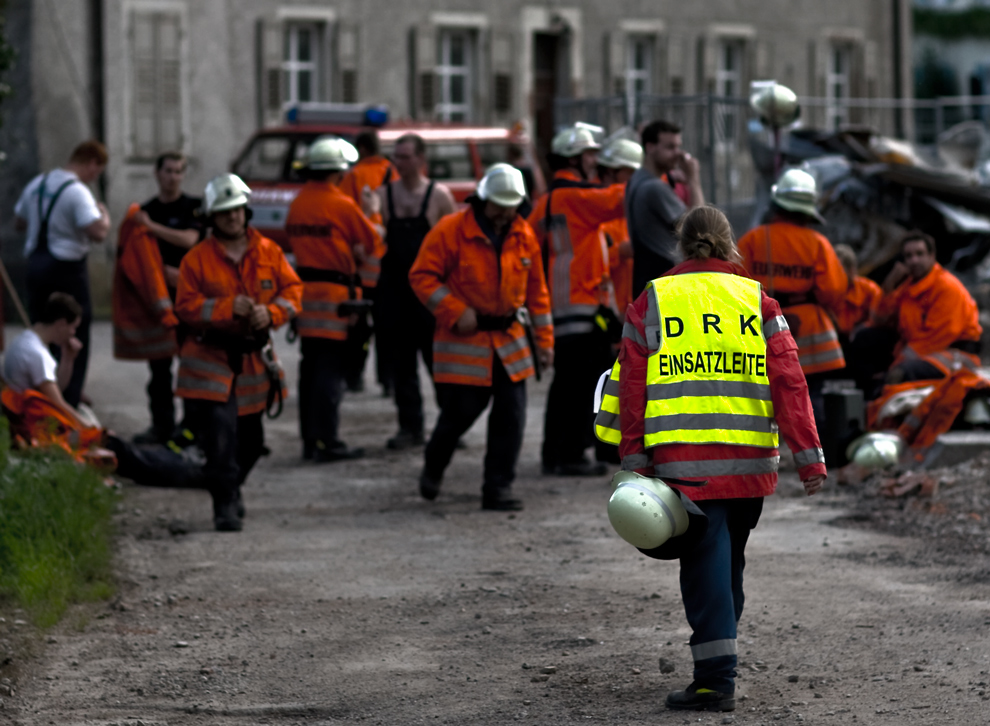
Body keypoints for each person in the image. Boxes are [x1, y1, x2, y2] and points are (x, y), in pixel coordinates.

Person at [596, 205, 825, 713]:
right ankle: (721, 658)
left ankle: (715, 679)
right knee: (726, 562)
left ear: (681, 244)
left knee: (706, 567)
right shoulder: (757, 302)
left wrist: (633, 455)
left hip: (683, 463)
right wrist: (809, 459)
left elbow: (634, 387)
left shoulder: (653, 299)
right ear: (729, 245)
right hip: (749, 465)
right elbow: (790, 382)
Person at [409, 164, 554, 511]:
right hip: (466, 343)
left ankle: (497, 488)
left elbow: (538, 293)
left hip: (509, 340)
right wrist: (456, 311)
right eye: (499, 205)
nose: (505, 213)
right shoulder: (451, 231)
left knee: (511, 417)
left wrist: (545, 342)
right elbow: (422, 276)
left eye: (511, 206)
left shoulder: (523, 235)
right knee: (459, 415)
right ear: (482, 199)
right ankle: (434, 464)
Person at [175, 173, 302, 531]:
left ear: (246, 211)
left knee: (252, 440)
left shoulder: (269, 252)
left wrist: (273, 312)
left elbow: (293, 292)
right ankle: (224, 505)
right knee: (220, 435)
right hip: (211, 358)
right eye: (224, 211)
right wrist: (225, 309)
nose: (232, 217)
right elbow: (185, 307)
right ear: (211, 217)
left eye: (237, 210)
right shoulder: (197, 260)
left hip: (252, 360)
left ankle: (230, 487)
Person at [1, 292, 204, 488]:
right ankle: (190, 472)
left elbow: (53, 393)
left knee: (125, 448)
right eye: (73, 327)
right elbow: (58, 403)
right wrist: (92, 431)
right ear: (61, 323)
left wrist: (68, 357)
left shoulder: (24, 342)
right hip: (46, 431)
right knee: (121, 450)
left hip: (36, 425)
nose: (73, 333)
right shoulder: (37, 355)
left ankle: (182, 462)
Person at [526, 124, 626, 476]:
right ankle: (568, 454)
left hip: (562, 306)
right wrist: (648, 177)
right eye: (589, 155)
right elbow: (620, 199)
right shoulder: (577, 197)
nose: (594, 161)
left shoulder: (547, 202)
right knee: (579, 386)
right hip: (580, 306)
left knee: (566, 384)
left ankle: (556, 454)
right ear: (573, 159)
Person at [286, 137, 378, 462]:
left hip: (305, 298)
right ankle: (328, 441)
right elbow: (372, 244)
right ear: (338, 173)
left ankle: (310, 441)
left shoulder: (298, 203)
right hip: (336, 300)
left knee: (310, 370)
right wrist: (372, 213)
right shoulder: (342, 205)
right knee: (330, 373)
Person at [737, 169, 847, 429]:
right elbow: (832, 291)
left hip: (761, 325)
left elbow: (737, 283)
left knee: (762, 395)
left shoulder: (754, 239)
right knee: (811, 396)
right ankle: (814, 453)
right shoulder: (818, 243)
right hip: (811, 331)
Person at [373, 133, 457, 450]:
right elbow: (371, 239)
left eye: (405, 156)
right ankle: (410, 427)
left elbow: (453, 248)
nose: (399, 162)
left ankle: (449, 426)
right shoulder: (382, 196)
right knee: (401, 365)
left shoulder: (439, 197)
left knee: (439, 364)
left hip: (430, 298)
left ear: (421, 160)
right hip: (394, 294)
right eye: (396, 156)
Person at [14, 139, 111, 408]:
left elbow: (19, 222)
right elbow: (97, 232)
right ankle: (68, 397)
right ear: (92, 163)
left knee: (42, 331)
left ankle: (41, 392)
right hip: (67, 271)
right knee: (72, 332)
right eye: (98, 171)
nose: (95, 177)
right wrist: (104, 215)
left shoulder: (37, 184)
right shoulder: (77, 192)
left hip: (35, 266)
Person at [846, 230, 982, 397]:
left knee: (902, 373)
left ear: (932, 256)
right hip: (916, 348)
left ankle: (878, 401)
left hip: (954, 354)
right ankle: (863, 398)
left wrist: (895, 366)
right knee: (864, 340)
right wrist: (889, 286)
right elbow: (879, 319)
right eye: (909, 256)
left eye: (920, 254)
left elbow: (933, 340)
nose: (914, 260)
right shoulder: (909, 287)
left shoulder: (947, 288)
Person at [127, 151, 202, 443]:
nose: (173, 177)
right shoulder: (147, 209)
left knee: (192, 364)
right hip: (158, 301)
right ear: (157, 174)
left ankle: (190, 427)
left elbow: (189, 240)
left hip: (188, 297)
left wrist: (151, 227)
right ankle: (162, 426)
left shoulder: (192, 208)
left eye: (178, 171)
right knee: (158, 370)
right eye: (168, 171)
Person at [340, 129, 396, 394]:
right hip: (388, 262)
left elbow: (343, 215)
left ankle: (354, 376)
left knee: (359, 326)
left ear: (361, 149)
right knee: (387, 328)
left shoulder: (354, 176)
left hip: (361, 265)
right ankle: (388, 380)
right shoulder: (392, 173)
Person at [626, 120, 705, 294]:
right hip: (666, 282)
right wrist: (694, 179)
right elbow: (698, 226)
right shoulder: (654, 188)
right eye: (670, 147)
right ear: (650, 147)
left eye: (678, 147)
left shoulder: (637, 180)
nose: (677, 154)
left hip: (647, 278)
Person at [597, 138, 644, 321]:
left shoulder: (636, 209)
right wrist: (619, 252)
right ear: (611, 172)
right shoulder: (599, 212)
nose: (637, 180)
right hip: (612, 312)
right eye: (631, 173)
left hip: (636, 311)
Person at [832, 244, 882, 343]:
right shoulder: (827, 292)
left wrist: (860, 330)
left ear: (851, 270)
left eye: (838, 269)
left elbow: (877, 319)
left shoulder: (869, 289)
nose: (833, 273)